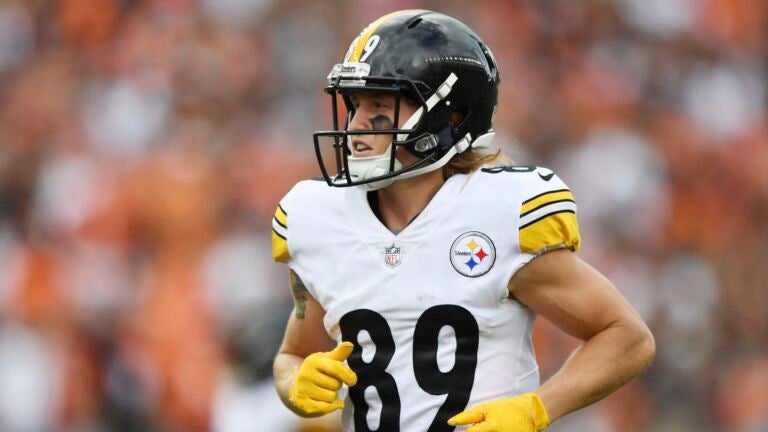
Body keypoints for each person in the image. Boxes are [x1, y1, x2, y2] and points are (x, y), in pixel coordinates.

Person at [272, 9, 655, 432]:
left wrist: (536, 408)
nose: (357, 124)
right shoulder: (321, 219)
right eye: (355, 104)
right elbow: (294, 355)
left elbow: (627, 337)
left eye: (379, 104)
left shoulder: (500, 214)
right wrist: (296, 385)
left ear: (448, 117)